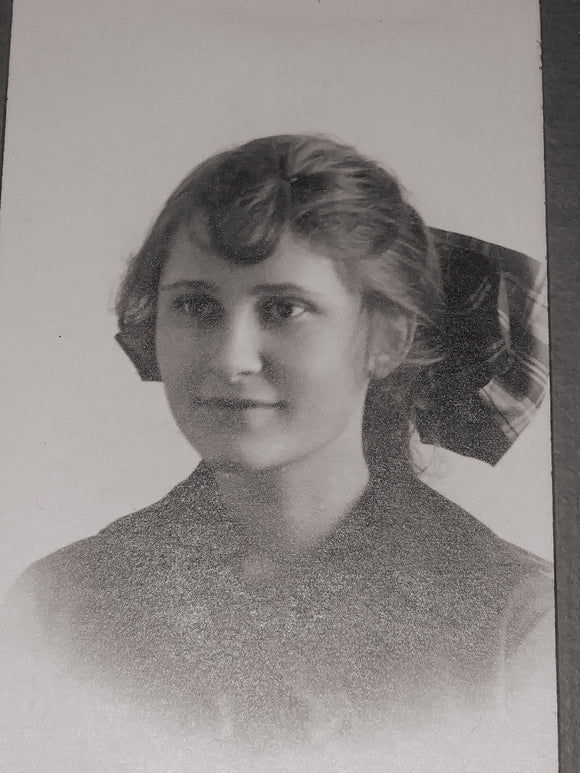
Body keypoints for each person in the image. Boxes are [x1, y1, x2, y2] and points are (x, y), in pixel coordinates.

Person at [2, 135, 556, 771]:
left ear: (387, 339)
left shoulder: (517, 626)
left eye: (284, 308)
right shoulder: (58, 605)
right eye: (195, 306)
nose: (231, 358)